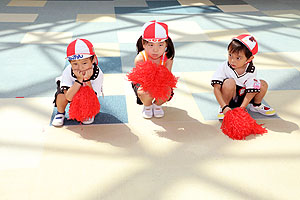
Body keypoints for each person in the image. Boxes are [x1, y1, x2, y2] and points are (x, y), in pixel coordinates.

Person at [211, 34, 276, 120]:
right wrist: (223, 106)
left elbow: (251, 90)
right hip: (230, 98)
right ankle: (224, 108)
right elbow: (216, 88)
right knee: (229, 82)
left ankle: (256, 106)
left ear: (249, 59)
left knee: (262, 84)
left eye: (238, 58)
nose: (232, 60)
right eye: (230, 55)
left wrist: (242, 108)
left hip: (244, 97)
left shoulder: (251, 69)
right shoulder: (224, 66)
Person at [52, 38, 104, 126]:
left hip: (87, 92)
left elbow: (94, 97)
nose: (80, 67)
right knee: (61, 95)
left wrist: (87, 80)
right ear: (70, 63)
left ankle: (87, 112)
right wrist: (79, 80)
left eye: (84, 63)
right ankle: (60, 113)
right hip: (71, 91)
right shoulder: (68, 71)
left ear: (93, 60)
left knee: (88, 96)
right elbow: (68, 97)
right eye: (75, 64)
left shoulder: (98, 74)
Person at [132, 20, 175, 119]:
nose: (155, 50)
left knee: (167, 91)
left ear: (166, 44)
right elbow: (142, 80)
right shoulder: (140, 58)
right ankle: (147, 106)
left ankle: (157, 105)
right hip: (144, 82)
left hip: (161, 80)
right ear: (143, 44)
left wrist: (163, 86)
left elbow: (168, 76)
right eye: (151, 45)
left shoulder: (167, 58)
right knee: (145, 92)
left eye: (160, 45)